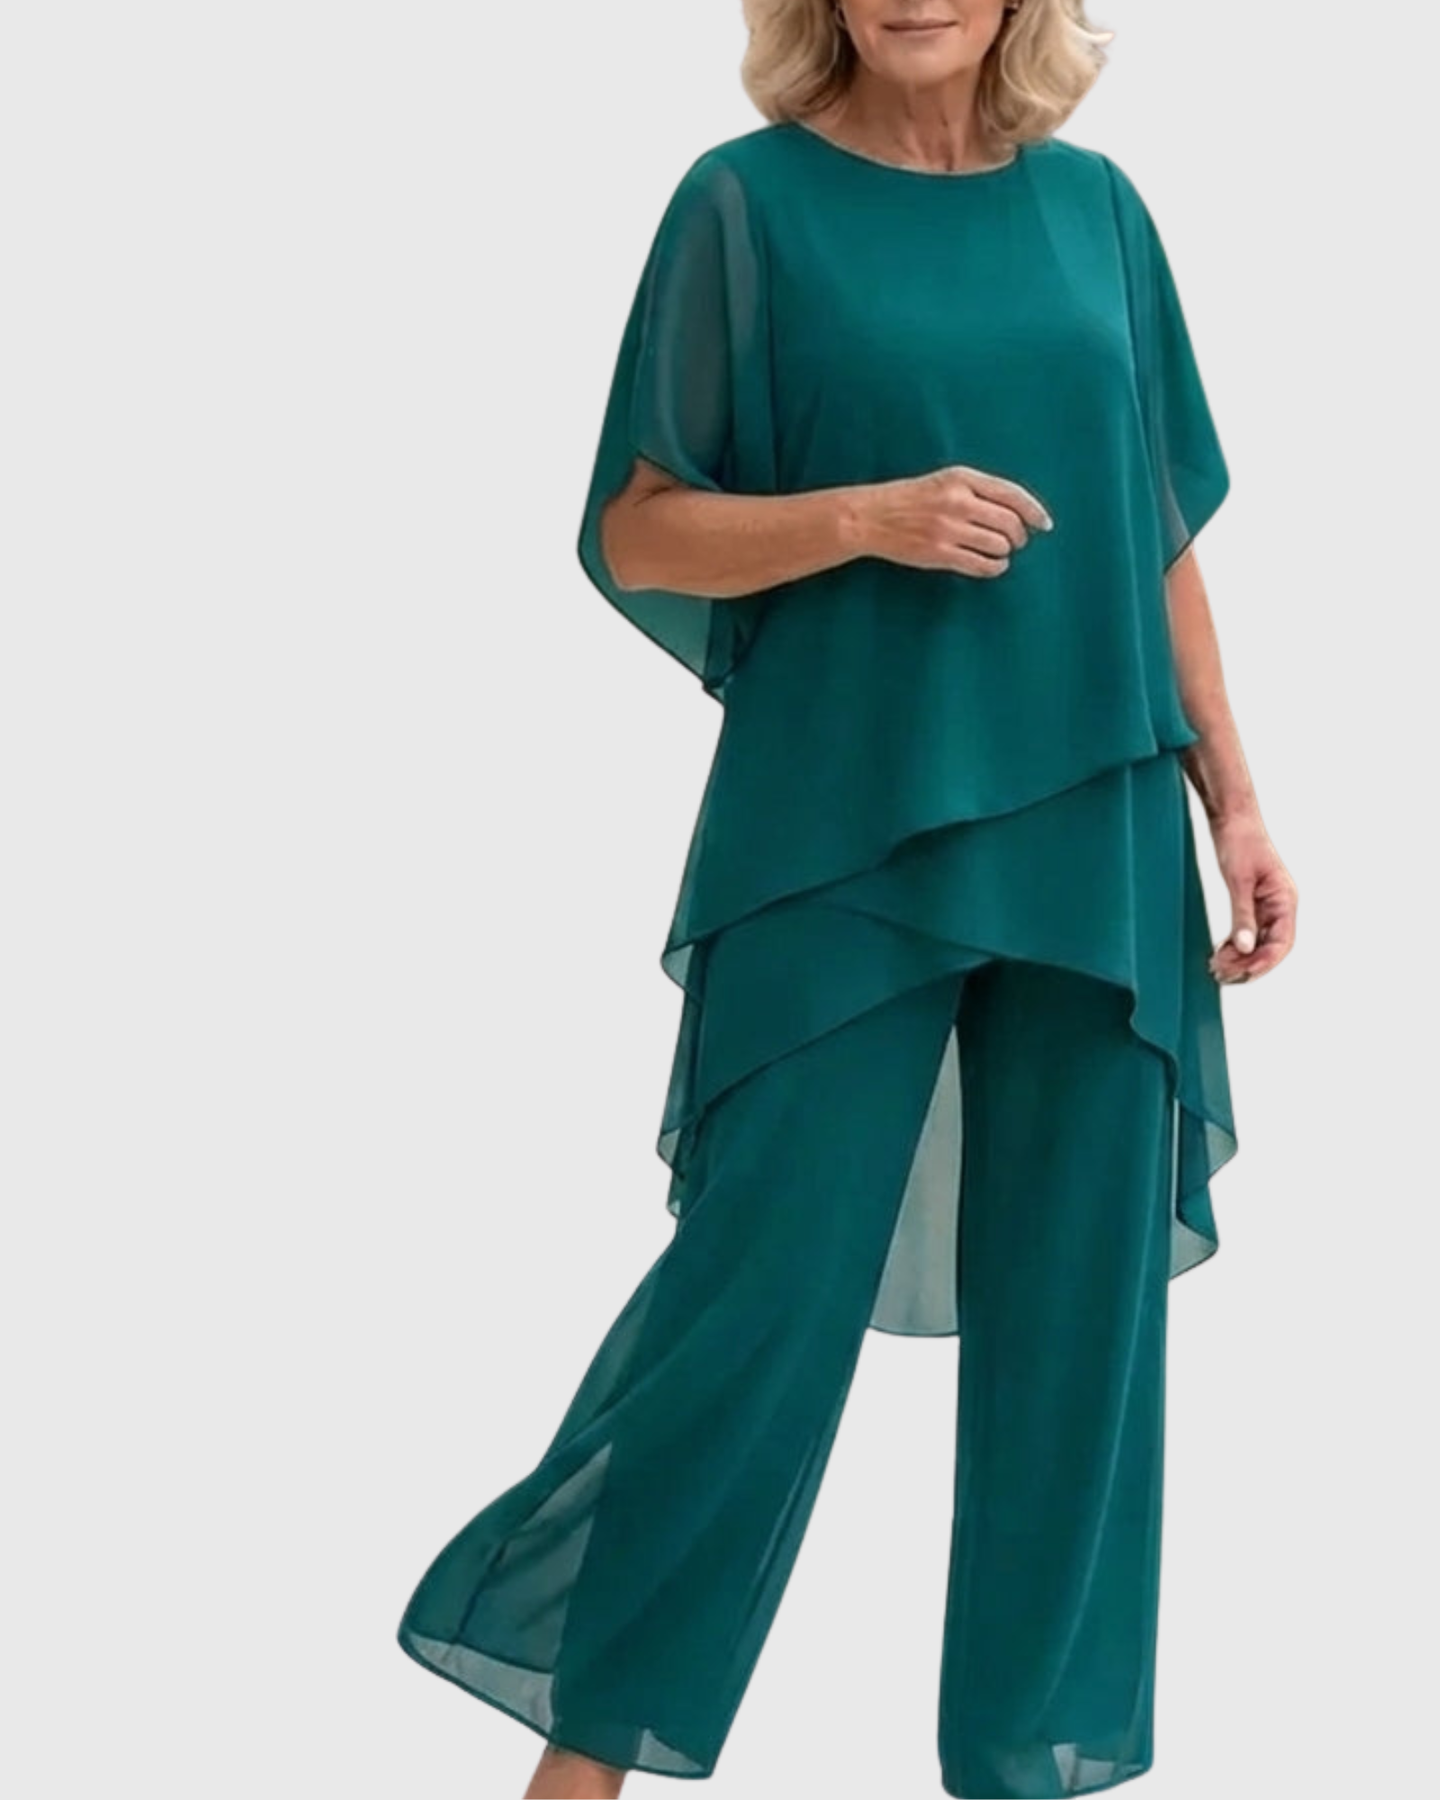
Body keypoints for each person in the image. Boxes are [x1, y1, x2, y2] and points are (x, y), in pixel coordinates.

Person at [395, 2, 1298, 1795]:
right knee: (757, 1296)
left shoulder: (1101, 212)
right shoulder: (744, 206)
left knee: (1081, 1331)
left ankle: (1026, 1772)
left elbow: (1160, 539)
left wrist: (1240, 799)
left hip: (1098, 822)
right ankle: (581, 1771)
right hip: (836, 828)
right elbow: (639, 525)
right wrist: (862, 517)